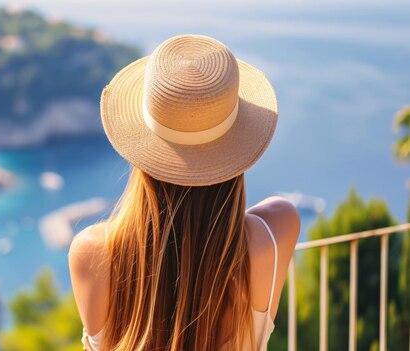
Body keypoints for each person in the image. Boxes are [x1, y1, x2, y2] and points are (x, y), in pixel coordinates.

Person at [68, 34, 300, 351]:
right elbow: (267, 214)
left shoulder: (92, 253)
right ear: (237, 154)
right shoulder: (275, 233)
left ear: (142, 152)